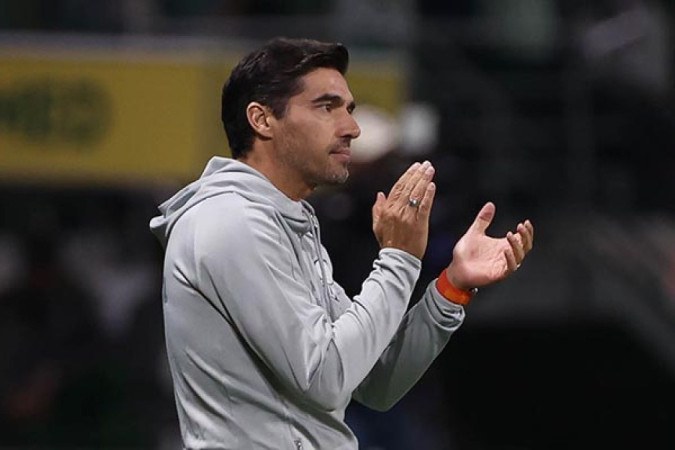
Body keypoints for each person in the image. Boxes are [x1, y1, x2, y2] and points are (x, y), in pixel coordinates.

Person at [149, 37, 534, 449]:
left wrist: (450, 288)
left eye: (347, 109)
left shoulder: (286, 221)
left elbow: (375, 381)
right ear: (262, 120)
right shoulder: (229, 222)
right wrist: (399, 258)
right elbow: (325, 378)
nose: (351, 127)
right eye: (326, 106)